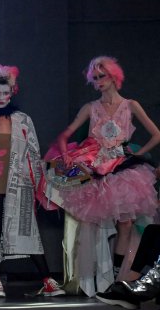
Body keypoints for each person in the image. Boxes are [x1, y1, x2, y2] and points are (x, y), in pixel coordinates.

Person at [54, 56, 159, 283]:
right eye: (95, 78)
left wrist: (138, 153)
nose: (98, 81)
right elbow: (65, 135)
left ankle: (117, 276)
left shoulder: (130, 105)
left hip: (123, 168)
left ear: (114, 76)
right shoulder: (91, 108)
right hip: (96, 168)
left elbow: (157, 134)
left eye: (102, 76)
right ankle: (93, 279)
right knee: (91, 223)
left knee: (126, 222)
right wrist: (66, 158)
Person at [0, 65, 64, 299]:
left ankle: (47, 280)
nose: (0, 98)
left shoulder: (23, 120)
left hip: (19, 181)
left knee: (27, 230)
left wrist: (40, 179)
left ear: (12, 93)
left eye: (5, 93)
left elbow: (33, 153)